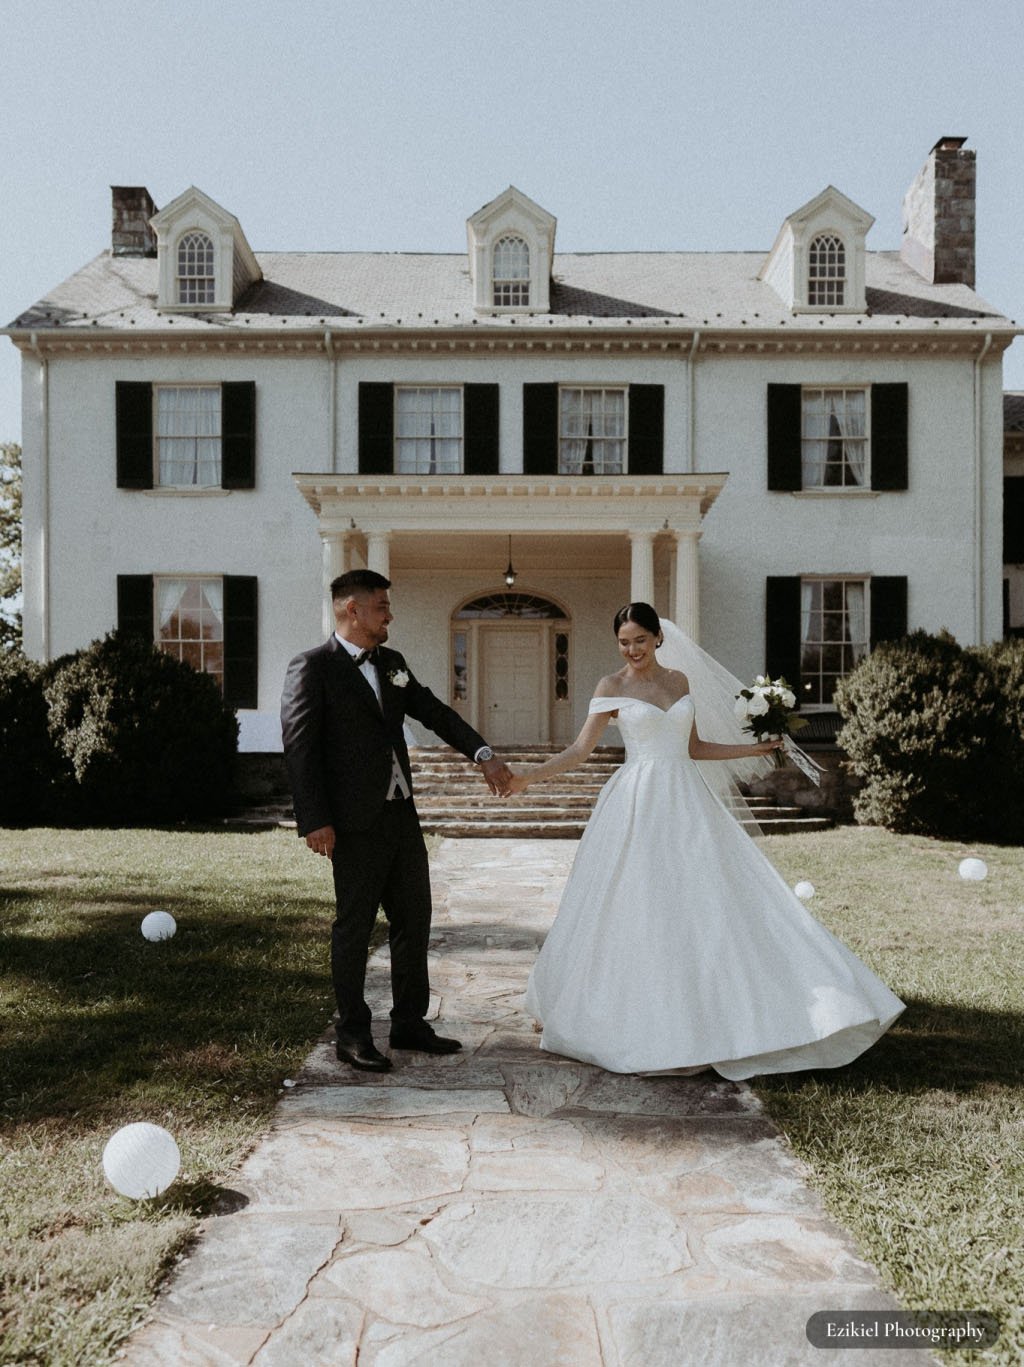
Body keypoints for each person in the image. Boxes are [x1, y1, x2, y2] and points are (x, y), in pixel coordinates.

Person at [508, 602, 905, 1078]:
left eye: (639, 639)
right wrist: (527, 779)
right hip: (637, 801)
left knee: (706, 897)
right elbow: (579, 750)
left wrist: (754, 748)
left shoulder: (679, 682)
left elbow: (694, 748)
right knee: (634, 902)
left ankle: (722, 1009)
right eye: (623, 642)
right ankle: (621, 1012)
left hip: (686, 798)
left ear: (658, 637)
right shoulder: (611, 687)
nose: (632, 649)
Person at [281, 569, 512, 1072]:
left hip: (401, 818)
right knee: (355, 927)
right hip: (352, 823)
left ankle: (410, 1023)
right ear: (353, 610)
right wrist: (314, 819)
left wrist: (483, 752)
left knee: (414, 922)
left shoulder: (394, 664)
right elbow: (300, 749)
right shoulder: (311, 668)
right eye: (382, 606)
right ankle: (353, 1033)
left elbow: (433, 712)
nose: (390, 614)